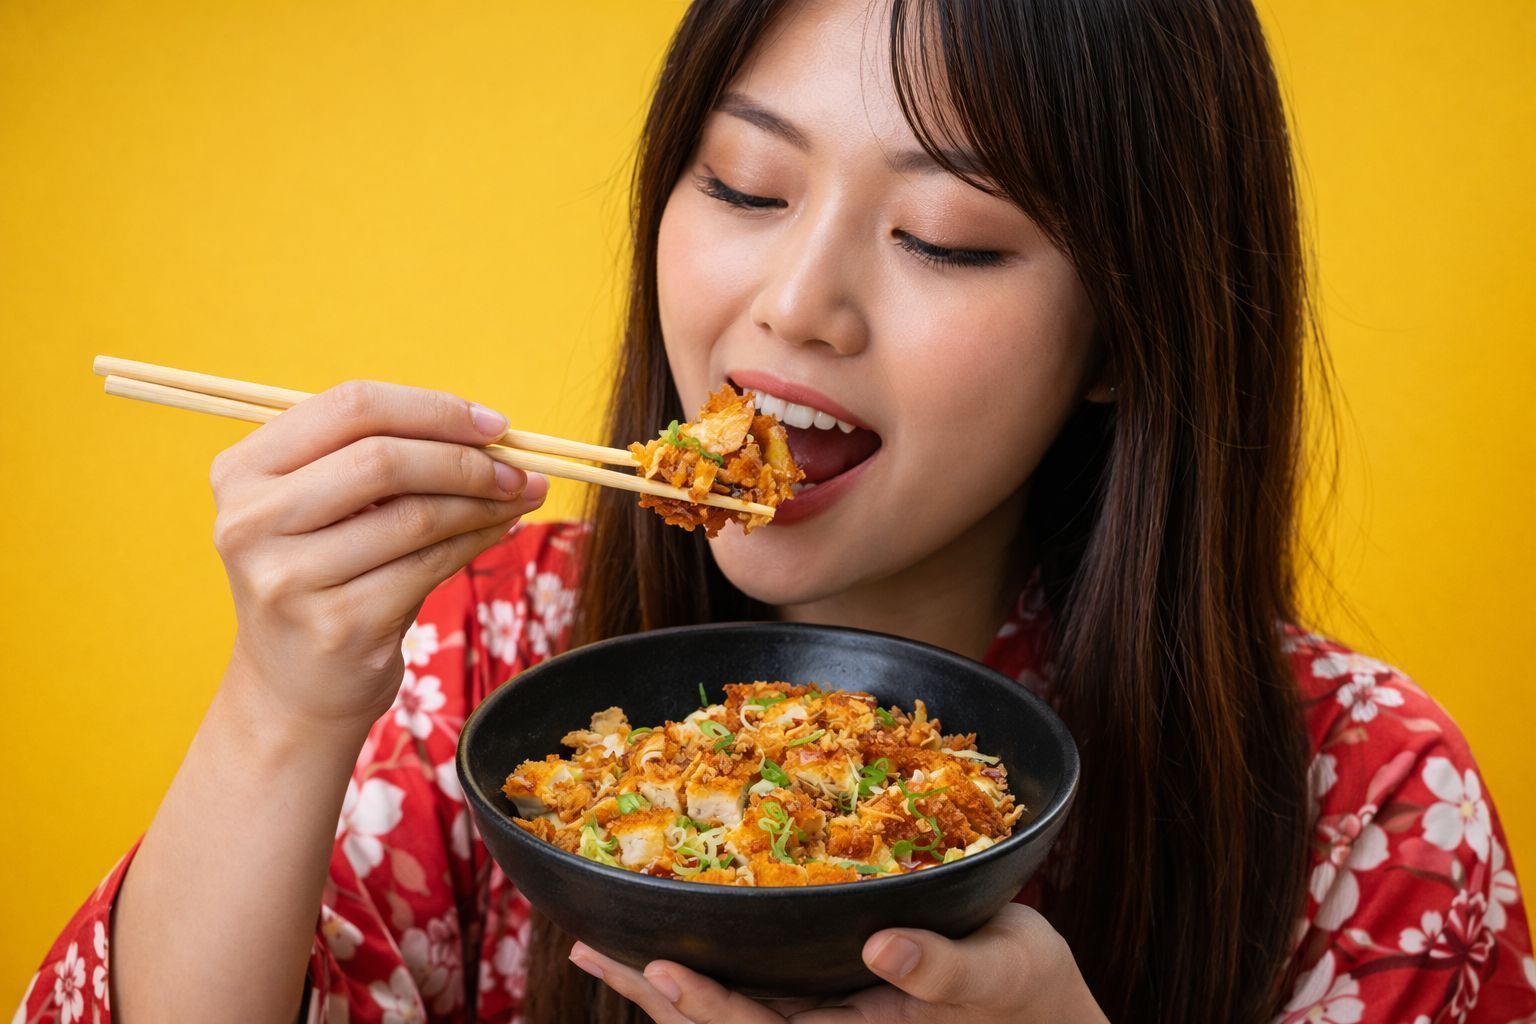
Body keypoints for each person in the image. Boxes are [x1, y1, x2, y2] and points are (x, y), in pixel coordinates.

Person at [18, 0, 1536, 1021]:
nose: (794, 306)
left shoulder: (1370, 802)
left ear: (1129, 333)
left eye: (945, 237)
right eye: (744, 186)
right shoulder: (494, 662)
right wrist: (281, 708)